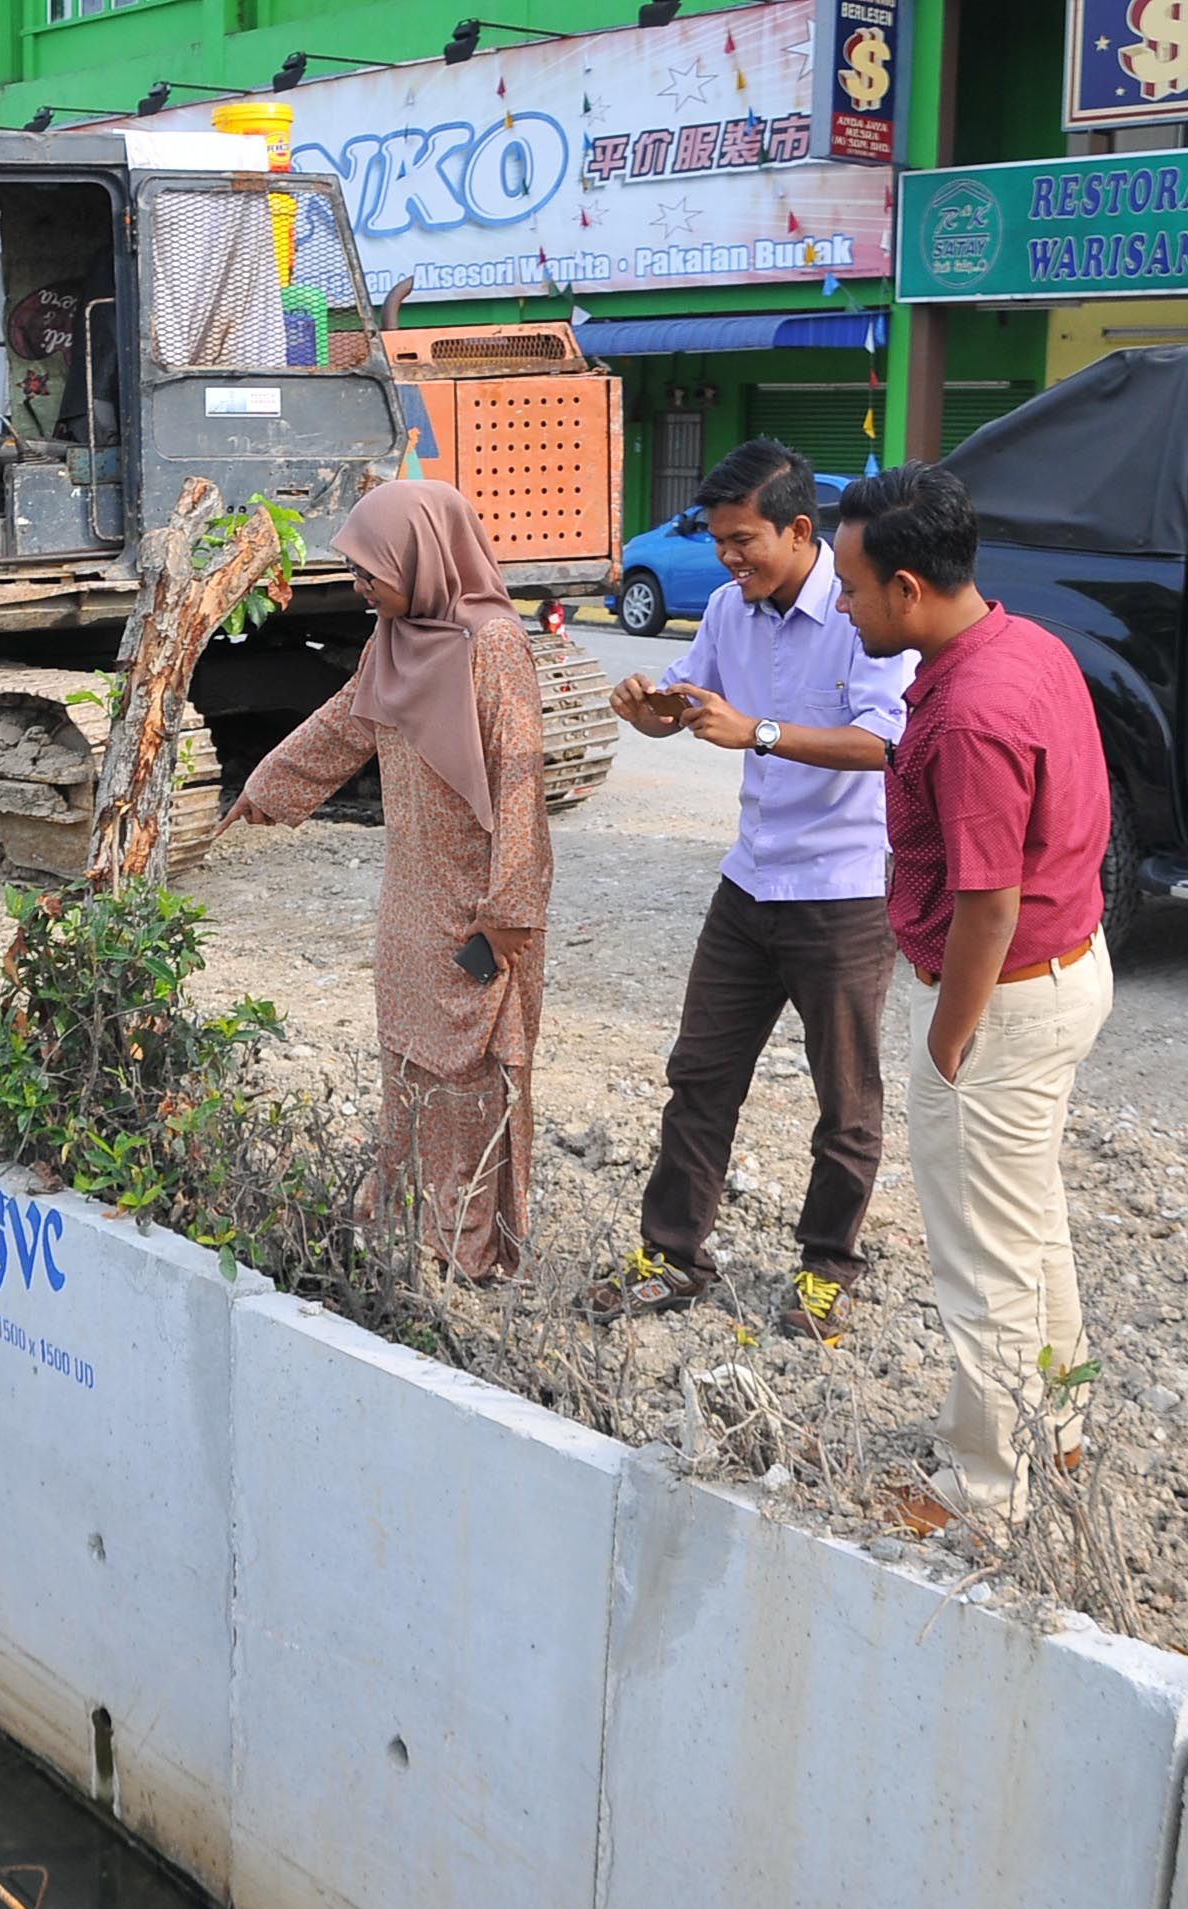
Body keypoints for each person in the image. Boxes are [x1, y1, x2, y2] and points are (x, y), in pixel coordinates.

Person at [586, 440, 918, 1344]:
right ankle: (672, 1256)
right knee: (700, 1077)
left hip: (843, 891)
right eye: (720, 538)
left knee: (845, 1098)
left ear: (799, 529)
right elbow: (696, 707)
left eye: (744, 539)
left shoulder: (863, 614)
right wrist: (653, 710)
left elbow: (885, 744)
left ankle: (826, 1272)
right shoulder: (733, 610)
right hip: (750, 881)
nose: (729, 557)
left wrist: (759, 731)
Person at [831, 460, 1112, 1524]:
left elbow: (987, 903)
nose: (845, 606)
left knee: (982, 1259)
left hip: (1006, 996)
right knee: (1029, 1221)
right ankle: (1063, 1433)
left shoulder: (971, 715)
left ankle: (989, 1492)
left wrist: (951, 1043)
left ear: (908, 588)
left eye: (852, 588)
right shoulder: (1021, 644)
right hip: (1066, 971)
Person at [224, 482, 552, 1279]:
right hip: (410, 902)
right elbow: (347, 721)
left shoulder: (491, 644)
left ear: (423, 557)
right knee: (407, 1072)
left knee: (471, 1081)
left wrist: (508, 910)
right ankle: (406, 1235)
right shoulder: (394, 641)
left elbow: (519, 780)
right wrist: (268, 789)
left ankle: (466, 1257)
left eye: (373, 572)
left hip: (479, 911)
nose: (363, 589)